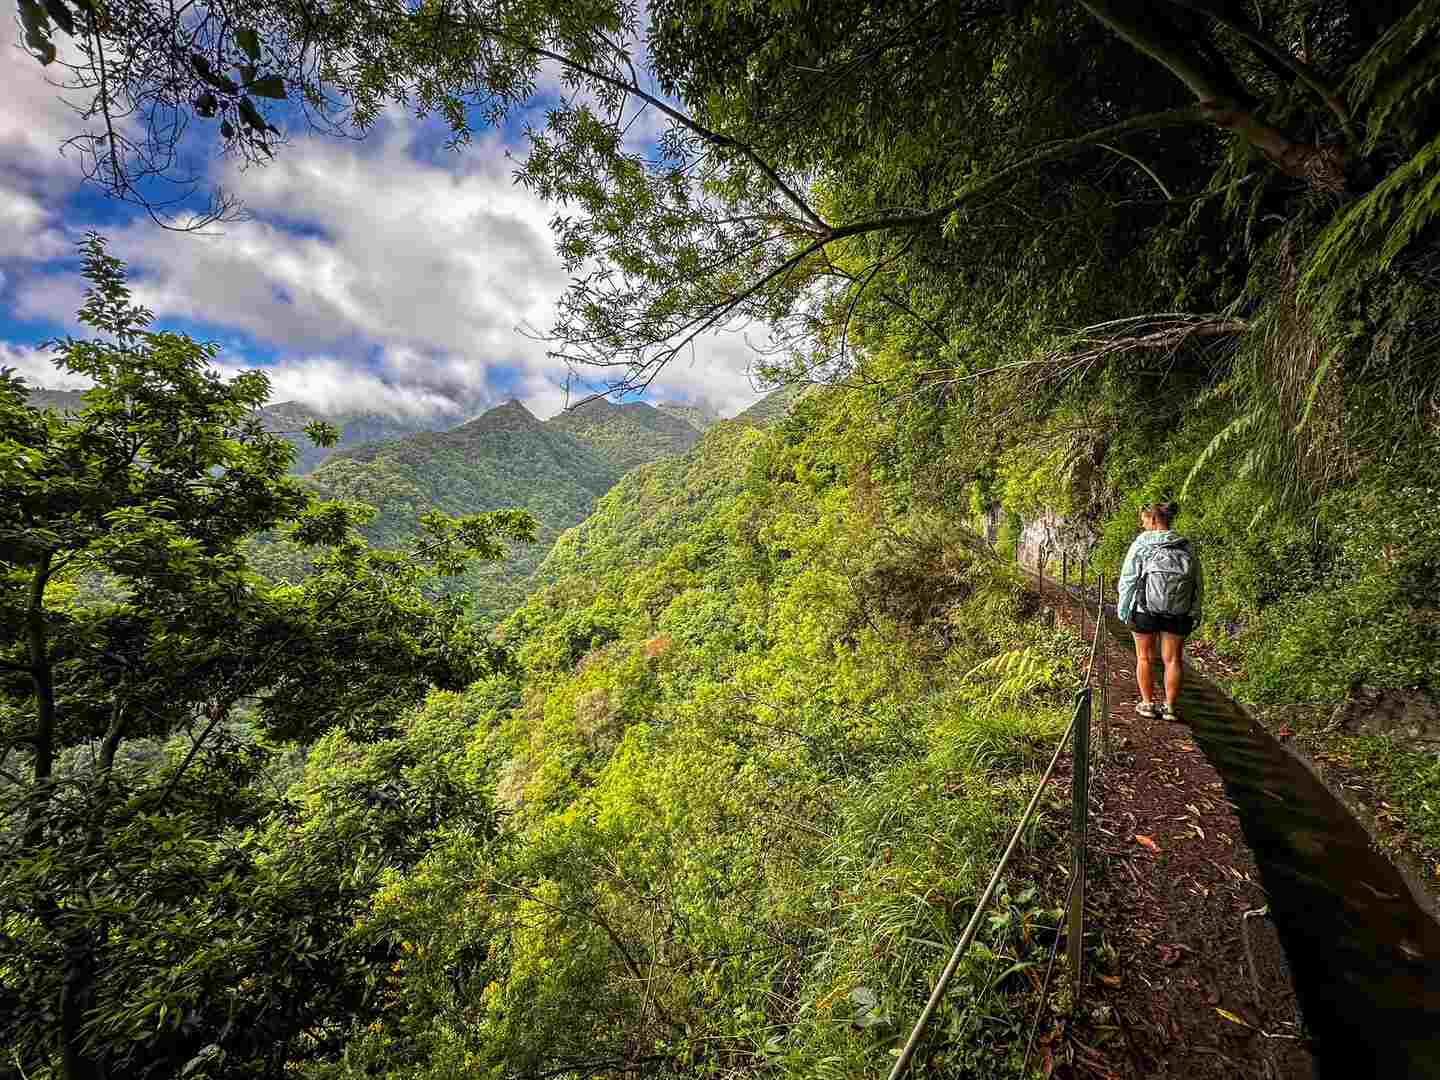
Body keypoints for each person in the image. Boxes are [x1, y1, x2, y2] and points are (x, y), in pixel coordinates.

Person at [1116, 501, 1202, 722]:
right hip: (1178, 610)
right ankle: (1170, 708)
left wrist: (1124, 608)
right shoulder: (1185, 545)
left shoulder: (1142, 543)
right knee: (1173, 659)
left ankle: (1147, 704)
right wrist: (1195, 610)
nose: (1142, 524)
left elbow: (1128, 579)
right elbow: (1197, 582)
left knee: (1144, 657)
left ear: (1154, 520)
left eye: (1144, 519)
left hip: (1145, 608)